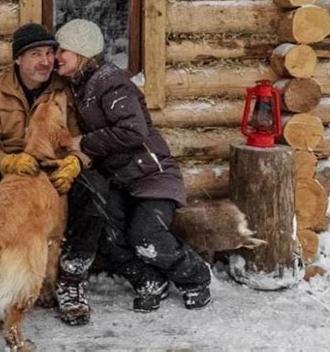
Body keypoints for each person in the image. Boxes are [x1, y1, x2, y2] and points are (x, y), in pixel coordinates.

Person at [50, 19, 212, 326]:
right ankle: (149, 280)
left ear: (82, 52)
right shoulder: (81, 86)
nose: (57, 55)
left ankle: (195, 277)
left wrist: (82, 142)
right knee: (108, 235)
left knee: (144, 236)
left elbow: (133, 131)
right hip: (122, 182)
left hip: (152, 177)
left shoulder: (110, 82)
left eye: (63, 50)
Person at [0, 22, 89, 332]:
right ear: (17, 59)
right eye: (35, 54)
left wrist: (75, 162)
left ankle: (71, 278)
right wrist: (8, 162)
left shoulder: (63, 91)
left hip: (54, 167)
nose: (45, 61)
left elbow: (83, 138)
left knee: (93, 192)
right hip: (11, 170)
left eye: (49, 53)